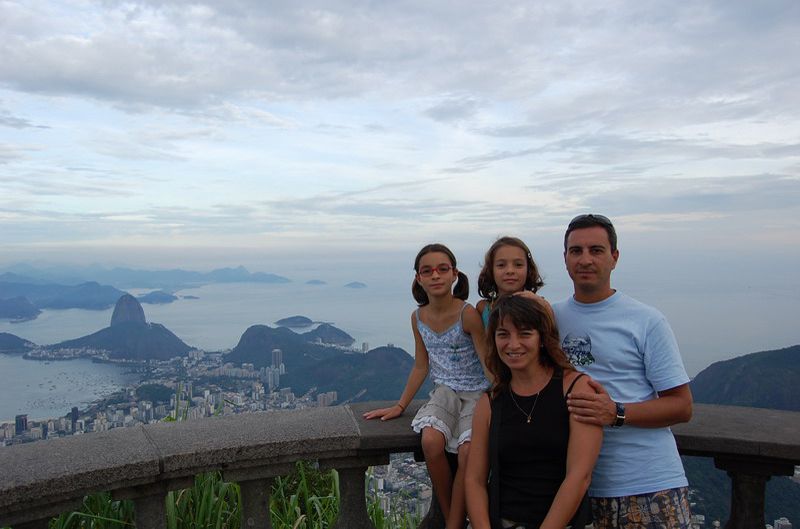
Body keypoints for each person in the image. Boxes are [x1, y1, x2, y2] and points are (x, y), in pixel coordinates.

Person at [552, 214, 693, 528]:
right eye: (576, 251)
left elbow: (682, 406)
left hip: (647, 483)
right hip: (575, 489)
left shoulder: (646, 320)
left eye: (596, 250)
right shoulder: (550, 318)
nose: (585, 259)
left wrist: (616, 412)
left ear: (614, 258)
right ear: (565, 259)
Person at [363, 243, 490, 529]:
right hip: (445, 393)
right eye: (427, 271)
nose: (436, 276)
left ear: (455, 274)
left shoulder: (467, 314)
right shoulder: (418, 317)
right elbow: (421, 366)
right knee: (431, 441)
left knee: (470, 450)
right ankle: (450, 518)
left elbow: (486, 362)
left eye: (443, 269)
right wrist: (400, 406)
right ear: (418, 278)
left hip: (477, 393)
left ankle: (455, 522)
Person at [465, 295, 602, 529]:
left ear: (542, 339)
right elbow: (475, 479)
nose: (513, 344)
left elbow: (579, 477)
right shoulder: (490, 403)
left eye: (525, 333)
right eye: (503, 334)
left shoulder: (576, 389)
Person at [476, 237, 547, 327]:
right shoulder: (483, 308)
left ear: (528, 269)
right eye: (501, 265)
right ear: (491, 270)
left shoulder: (540, 306)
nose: (510, 270)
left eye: (518, 265)